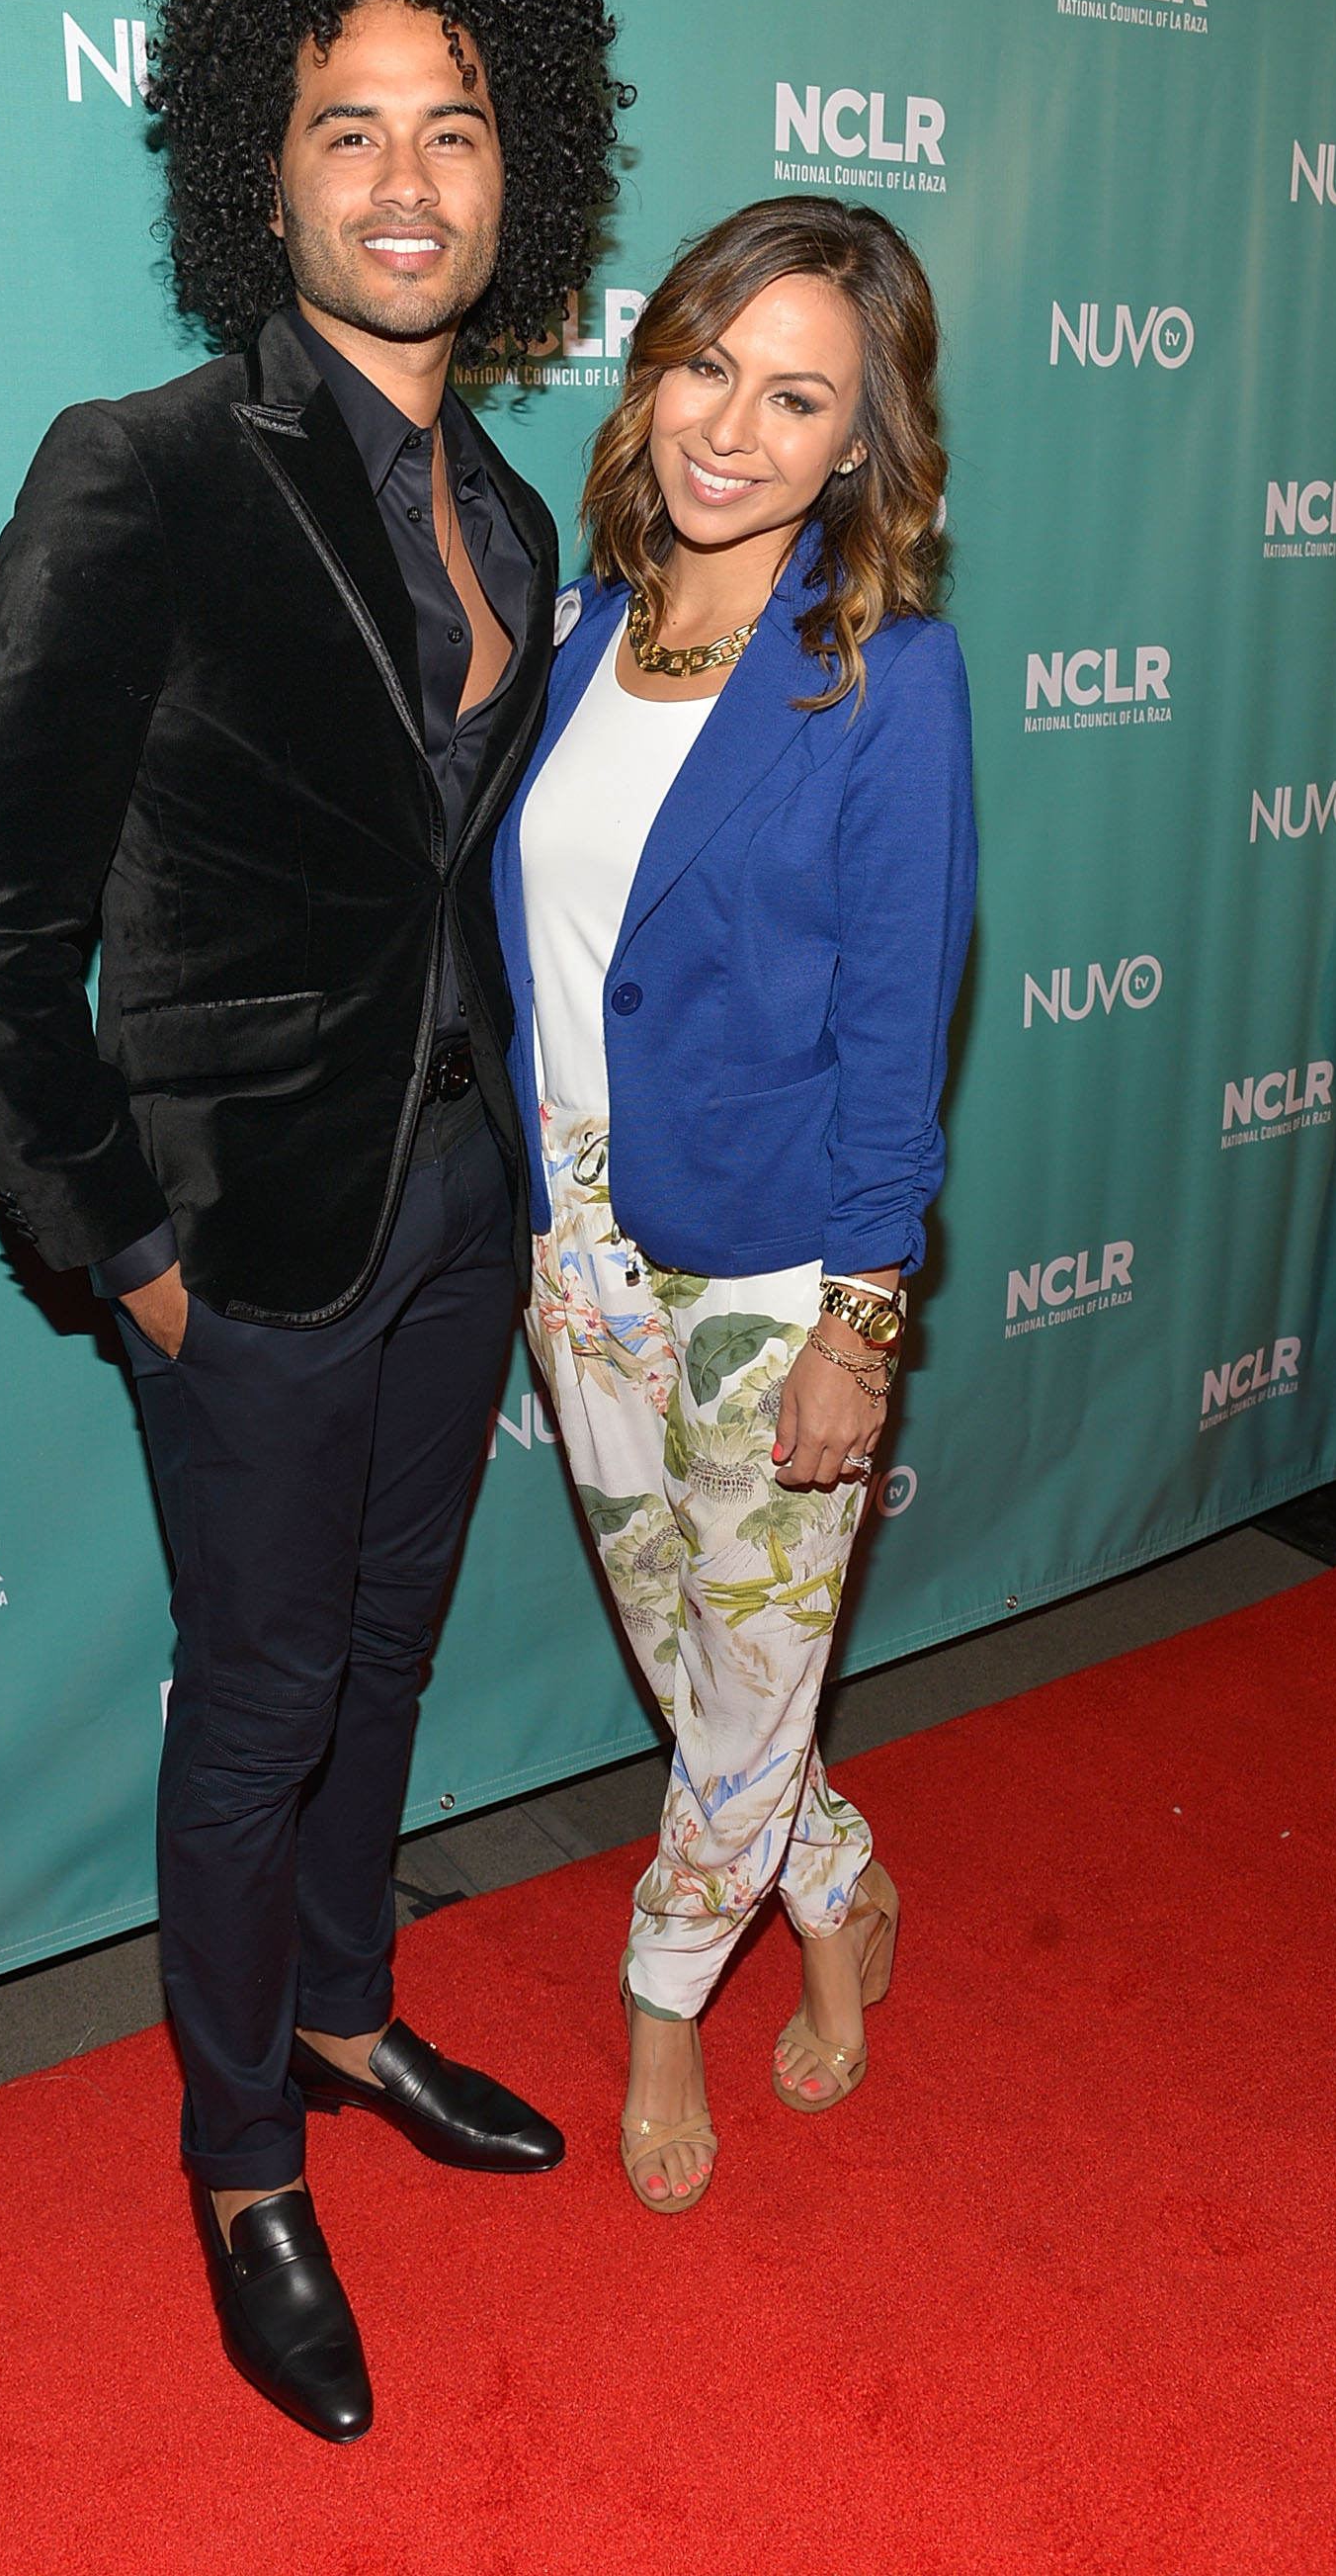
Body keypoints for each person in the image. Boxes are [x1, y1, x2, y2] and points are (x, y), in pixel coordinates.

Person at [0, 0, 626, 2439]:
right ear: (263, 169)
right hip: (245, 1246)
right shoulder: (146, 471)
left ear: (520, 174)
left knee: (389, 1655)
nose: (406, 179)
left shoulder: (510, 515)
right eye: (348, 130)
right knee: (258, 1704)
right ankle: (240, 2168)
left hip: (450, 1217)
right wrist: (123, 1248)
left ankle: (341, 2013)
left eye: (456, 129)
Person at [494, 197, 975, 2212]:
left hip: (777, 1267)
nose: (735, 426)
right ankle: (834, 1892)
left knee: (752, 1683)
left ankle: (664, 1999)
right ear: (654, 369)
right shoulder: (574, 633)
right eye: (710, 366)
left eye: (798, 397)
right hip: (571, 1251)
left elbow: (899, 1016)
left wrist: (865, 1317)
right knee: (705, 1671)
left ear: (860, 441)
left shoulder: (885, 677)